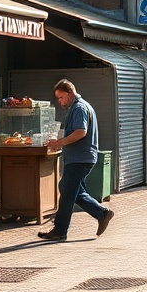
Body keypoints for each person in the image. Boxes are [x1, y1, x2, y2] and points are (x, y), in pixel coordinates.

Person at [39, 78, 114, 241]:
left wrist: (60, 142)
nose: (59, 102)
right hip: (79, 157)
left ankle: (60, 230)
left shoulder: (79, 108)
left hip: (80, 158)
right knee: (68, 188)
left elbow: (81, 131)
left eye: (61, 97)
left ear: (70, 93)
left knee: (67, 192)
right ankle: (102, 213)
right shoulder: (79, 107)